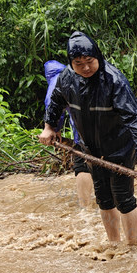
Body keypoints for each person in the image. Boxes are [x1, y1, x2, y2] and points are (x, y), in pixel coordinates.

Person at [39, 32, 137, 245]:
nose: (85, 68)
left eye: (89, 61)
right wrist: (49, 127)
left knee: (124, 199)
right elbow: (55, 102)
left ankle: (132, 247)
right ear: (71, 63)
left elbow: (134, 116)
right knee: (104, 199)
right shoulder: (66, 78)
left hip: (119, 147)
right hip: (91, 148)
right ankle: (114, 244)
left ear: (98, 57)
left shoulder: (113, 79)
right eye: (78, 63)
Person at [44, 59, 93, 208]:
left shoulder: (55, 84)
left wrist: (53, 129)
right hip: (103, 126)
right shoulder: (78, 76)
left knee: (82, 164)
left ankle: (86, 208)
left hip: (84, 129)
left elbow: (53, 108)